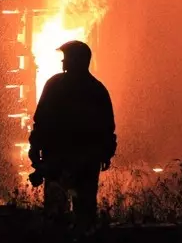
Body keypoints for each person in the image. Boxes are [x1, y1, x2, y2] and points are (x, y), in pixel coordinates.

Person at [28, 40, 116, 227]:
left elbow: (41, 121)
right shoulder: (97, 90)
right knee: (85, 211)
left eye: (67, 57)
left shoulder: (54, 85)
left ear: (77, 60)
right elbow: (107, 127)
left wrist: (36, 149)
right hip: (86, 161)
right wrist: (106, 153)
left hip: (58, 158)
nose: (63, 61)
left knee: (55, 213)